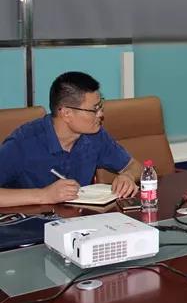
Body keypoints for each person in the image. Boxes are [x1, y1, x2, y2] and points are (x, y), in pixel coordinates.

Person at [0, 72, 141, 207]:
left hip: (79, 219)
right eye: (94, 110)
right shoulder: (23, 143)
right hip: (30, 220)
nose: (100, 114)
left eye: (100, 106)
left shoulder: (94, 136)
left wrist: (128, 176)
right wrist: (44, 195)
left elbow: (135, 166)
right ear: (66, 113)